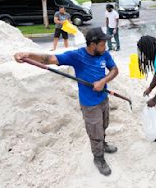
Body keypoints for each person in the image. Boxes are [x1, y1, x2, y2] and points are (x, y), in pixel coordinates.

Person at [14, 27, 119, 176]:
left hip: (103, 98)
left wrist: (103, 81)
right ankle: (98, 157)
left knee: (103, 126)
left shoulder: (104, 54)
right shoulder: (77, 56)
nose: (105, 47)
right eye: (102, 44)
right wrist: (28, 55)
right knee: (95, 131)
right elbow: (49, 59)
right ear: (92, 44)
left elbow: (115, 70)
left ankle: (102, 144)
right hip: (90, 104)